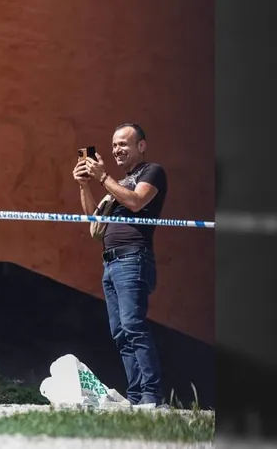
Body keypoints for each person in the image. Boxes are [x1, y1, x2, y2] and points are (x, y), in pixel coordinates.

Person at [72, 122, 168, 407]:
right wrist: (84, 185)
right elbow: (94, 220)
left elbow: (137, 202)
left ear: (141, 145)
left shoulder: (151, 172)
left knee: (133, 326)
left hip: (133, 258)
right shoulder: (118, 181)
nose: (117, 149)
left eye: (124, 144)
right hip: (111, 264)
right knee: (121, 333)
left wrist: (103, 178)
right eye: (114, 145)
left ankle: (152, 395)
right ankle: (137, 396)